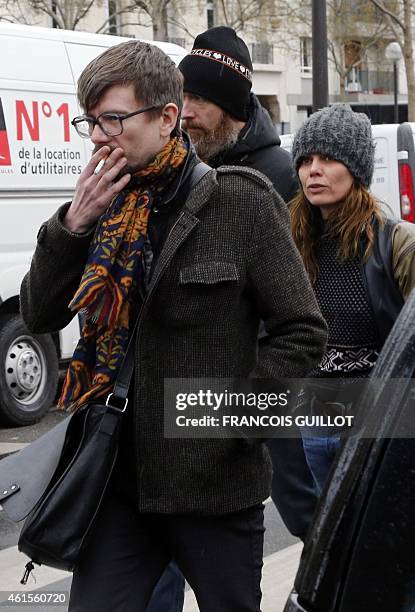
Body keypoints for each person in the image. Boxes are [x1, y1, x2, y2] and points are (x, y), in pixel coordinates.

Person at [20, 40, 327, 611]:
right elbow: (40, 314)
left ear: (166, 118)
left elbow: (302, 329)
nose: (96, 136)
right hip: (115, 482)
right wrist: (72, 223)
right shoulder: (102, 203)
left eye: (113, 119)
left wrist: (237, 421)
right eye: (90, 121)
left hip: (213, 489)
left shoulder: (241, 201)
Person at [179, 26, 319, 538]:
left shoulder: (281, 174)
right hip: (197, 384)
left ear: (232, 107)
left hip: (266, 376)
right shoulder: (182, 170)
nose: (184, 110)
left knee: (301, 505)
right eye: (182, 95)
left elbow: (303, 291)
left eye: (197, 98)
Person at [290, 103, 415, 494]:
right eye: (306, 159)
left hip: (382, 418)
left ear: (356, 169)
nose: (314, 170)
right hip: (316, 416)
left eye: (328, 158)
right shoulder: (291, 241)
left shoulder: (396, 242)